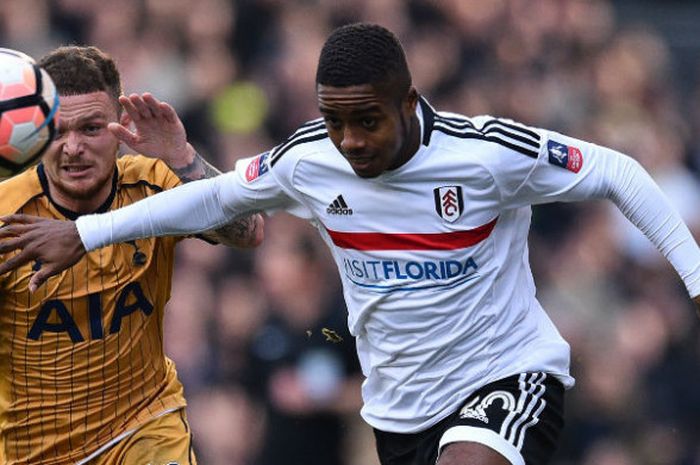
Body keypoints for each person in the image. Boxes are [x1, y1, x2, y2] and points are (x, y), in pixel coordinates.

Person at [1, 23, 700, 465]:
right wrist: (83, 232)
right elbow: (223, 199)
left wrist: (696, 278)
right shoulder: (311, 158)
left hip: (505, 374)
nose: (352, 141)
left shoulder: (486, 154)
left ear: (408, 101)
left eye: (367, 120)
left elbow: (617, 170)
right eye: (335, 121)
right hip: (398, 409)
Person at [0, 45, 262, 465]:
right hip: (33, 450)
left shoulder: (155, 180)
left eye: (90, 129)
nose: (72, 148)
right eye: (59, 131)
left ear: (120, 126)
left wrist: (183, 157)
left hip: (144, 427)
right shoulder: (6, 216)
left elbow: (249, 232)